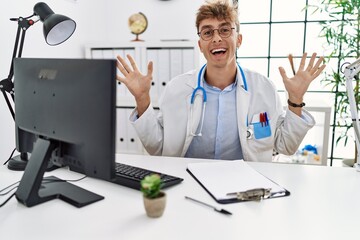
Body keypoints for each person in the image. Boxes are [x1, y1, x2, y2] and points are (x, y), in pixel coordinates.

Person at [116, 0, 326, 162]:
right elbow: (156, 147)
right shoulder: (177, 89)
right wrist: (142, 99)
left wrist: (296, 99)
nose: (216, 38)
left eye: (225, 30)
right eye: (208, 32)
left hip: (246, 187)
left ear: (239, 39)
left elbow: (285, 146)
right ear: (200, 45)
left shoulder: (263, 88)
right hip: (187, 184)